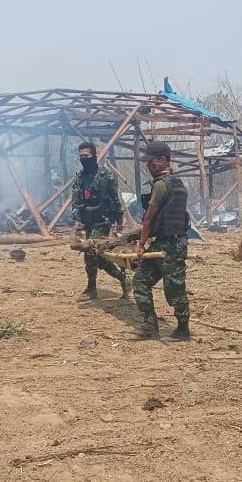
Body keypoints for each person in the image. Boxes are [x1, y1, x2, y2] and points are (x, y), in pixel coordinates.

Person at [133, 141, 190, 341]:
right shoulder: (178, 183)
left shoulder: (161, 185)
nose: (149, 166)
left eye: (152, 162)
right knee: (140, 281)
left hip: (171, 246)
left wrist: (141, 245)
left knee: (175, 288)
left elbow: (149, 218)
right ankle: (150, 325)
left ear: (163, 160)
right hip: (165, 243)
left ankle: (183, 330)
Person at [70, 141, 127, 300]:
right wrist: (77, 220)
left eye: (86, 156)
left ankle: (91, 289)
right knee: (100, 258)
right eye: (81, 156)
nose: (83, 159)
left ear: (94, 156)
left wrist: (119, 222)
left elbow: (116, 199)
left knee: (90, 253)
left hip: (103, 220)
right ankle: (122, 279)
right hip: (88, 221)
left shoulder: (106, 175)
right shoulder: (80, 178)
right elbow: (75, 201)